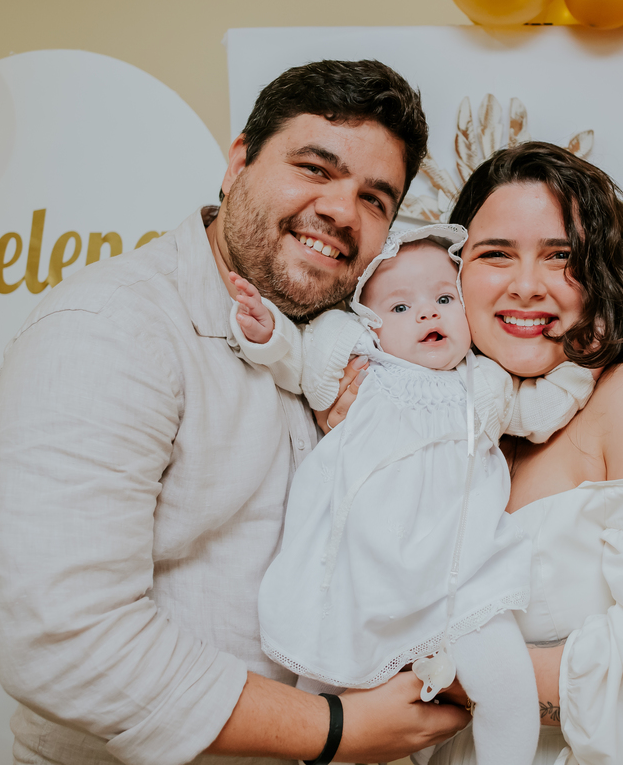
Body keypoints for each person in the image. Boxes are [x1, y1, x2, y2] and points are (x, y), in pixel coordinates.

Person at [0, 59, 472, 765]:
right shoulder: (110, 327)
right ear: (238, 162)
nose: (340, 210)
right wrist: (335, 730)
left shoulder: (349, 335)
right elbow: (63, 640)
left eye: (374, 199)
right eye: (314, 168)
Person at [326, 141, 623, 765]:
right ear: (456, 272)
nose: (526, 286)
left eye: (562, 257)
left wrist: (439, 674)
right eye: (496, 254)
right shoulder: (479, 421)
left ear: (606, 274)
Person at [230, 224, 599, 765]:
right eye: (400, 308)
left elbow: (539, 414)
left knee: (506, 684)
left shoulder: (485, 384)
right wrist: (267, 334)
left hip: (463, 575)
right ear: (371, 326)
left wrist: (583, 366)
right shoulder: (358, 365)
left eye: (445, 298)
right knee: (326, 686)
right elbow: (294, 361)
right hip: (362, 571)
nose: (428, 314)